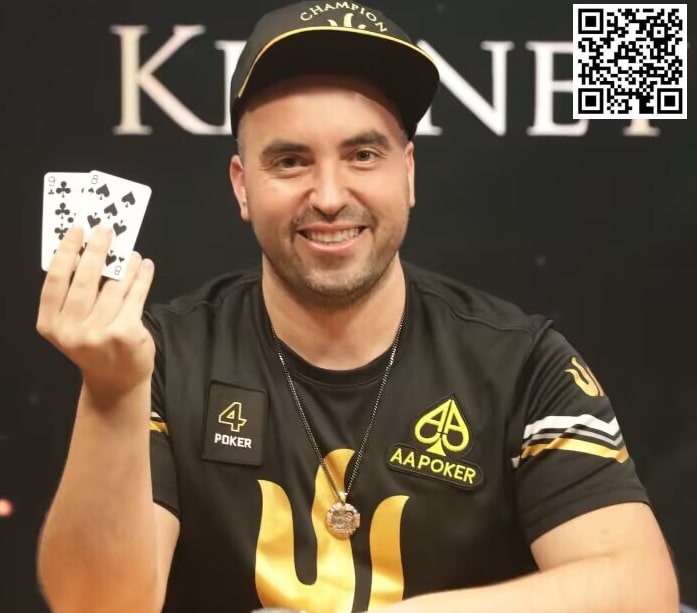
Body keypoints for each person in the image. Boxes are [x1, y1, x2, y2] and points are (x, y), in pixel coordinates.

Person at [35, 2, 680, 612]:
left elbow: (639, 591)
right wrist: (112, 393)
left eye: (362, 155)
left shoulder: (521, 363)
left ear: (408, 173)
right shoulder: (163, 357)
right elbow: (97, 606)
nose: (329, 195)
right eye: (291, 161)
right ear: (242, 186)